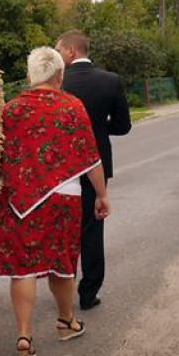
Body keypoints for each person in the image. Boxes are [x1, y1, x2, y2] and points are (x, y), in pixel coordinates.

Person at [0, 47, 111, 356]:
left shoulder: (11, 109)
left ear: (31, 75)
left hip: (17, 199)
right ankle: (65, 320)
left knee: (23, 268)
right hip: (63, 196)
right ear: (60, 75)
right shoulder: (73, 106)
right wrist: (101, 194)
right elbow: (90, 156)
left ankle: (24, 335)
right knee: (61, 263)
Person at [56, 30, 131, 311]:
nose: (58, 56)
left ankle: (64, 290)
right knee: (92, 228)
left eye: (59, 50)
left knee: (65, 230)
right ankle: (89, 294)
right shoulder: (111, 81)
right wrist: (98, 130)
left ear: (71, 51)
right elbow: (123, 126)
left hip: (62, 166)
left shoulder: (59, 82)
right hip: (97, 162)